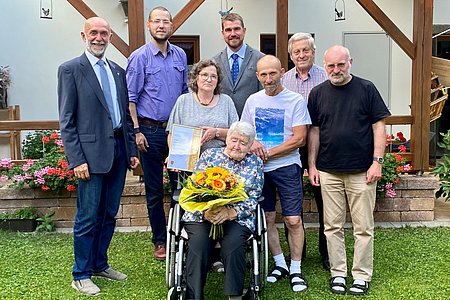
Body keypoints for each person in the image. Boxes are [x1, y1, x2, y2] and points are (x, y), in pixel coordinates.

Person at [58, 17, 140, 296]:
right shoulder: (70, 69)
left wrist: (131, 152)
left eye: (104, 33)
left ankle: (99, 264)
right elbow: (67, 121)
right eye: (94, 32)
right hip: (90, 158)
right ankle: (80, 273)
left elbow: (125, 118)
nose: (99, 37)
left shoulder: (117, 71)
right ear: (84, 35)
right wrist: (77, 159)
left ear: (110, 36)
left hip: (118, 153)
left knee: (109, 214)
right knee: (87, 216)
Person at [307, 45, 390, 296]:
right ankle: (338, 274)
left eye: (340, 65)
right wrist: (311, 165)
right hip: (328, 170)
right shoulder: (318, 93)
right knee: (331, 226)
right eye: (331, 65)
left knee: (363, 227)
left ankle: (362, 276)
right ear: (325, 65)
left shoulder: (366, 89)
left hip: (362, 171)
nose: (336, 70)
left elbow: (379, 126)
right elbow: (314, 131)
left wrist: (378, 162)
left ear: (350, 62)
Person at [241, 55, 311, 292]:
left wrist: (268, 153)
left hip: (287, 167)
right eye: (263, 74)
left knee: (293, 219)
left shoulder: (295, 100)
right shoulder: (252, 101)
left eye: (273, 73)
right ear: (257, 76)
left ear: (282, 72)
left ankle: (296, 268)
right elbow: (245, 133)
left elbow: (300, 138)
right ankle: (280, 264)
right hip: (259, 170)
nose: (268, 79)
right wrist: (252, 146)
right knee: (268, 218)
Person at [126, 6, 188, 261]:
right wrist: (137, 131)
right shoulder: (139, 57)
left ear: (172, 26)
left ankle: (181, 233)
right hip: (149, 131)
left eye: (166, 22)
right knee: (154, 189)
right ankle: (160, 241)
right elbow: (130, 99)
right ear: (149, 25)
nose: (162, 26)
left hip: (178, 132)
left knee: (182, 188)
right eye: (157, 22)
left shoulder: (181, 55)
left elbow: (186, 93)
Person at [181, 121, 264, 300]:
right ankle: (193, 296)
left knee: (234, 245)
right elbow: (194, 188)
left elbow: (254, 196)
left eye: (243, 143)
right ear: (227, 139)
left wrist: (231, 212)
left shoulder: (255, 162)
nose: (237, 146)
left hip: (237, 217)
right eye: (234, 140)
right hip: (202, 215)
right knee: (198, 245)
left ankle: (234, 295)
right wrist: (205, 211)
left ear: (250, 146)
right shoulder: (210, 155)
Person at [281, 32, 329, 270]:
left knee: (325, 202)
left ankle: (327, 252)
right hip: (293, 146)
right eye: (296, 52)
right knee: (293, 203)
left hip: (323, 146)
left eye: (305, 50)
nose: (301, 55)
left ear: (313, 51)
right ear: (291, 56)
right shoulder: (284, 81)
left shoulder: (326, 76)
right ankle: (297, 252)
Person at [167, 58, 238, 154]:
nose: (209, 79)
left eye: (213, 76)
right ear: (196, 78)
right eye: (204, 75)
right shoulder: (183, 100)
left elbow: (237, 133)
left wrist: (216, 132)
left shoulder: (226, 101)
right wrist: (174, 156)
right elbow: (172, 134)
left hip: (220, 160)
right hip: (188, 159)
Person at [213, 12, 264, 117]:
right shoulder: (214, 62)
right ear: (223, 33)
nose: (233, 34)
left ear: (244, 31)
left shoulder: (260, 59)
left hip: (251, 121)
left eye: (237, 29)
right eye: (228, 30)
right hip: (223, 122)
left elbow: (264, 94)